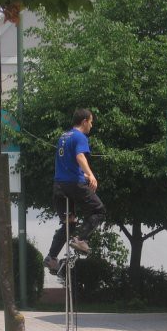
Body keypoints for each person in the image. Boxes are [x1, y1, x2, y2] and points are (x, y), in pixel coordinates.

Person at [43, 108, 106, 274]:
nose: (91, 125)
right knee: (99, 210)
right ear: (84, 121)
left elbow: (68, 164)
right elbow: (79, 157)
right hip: (73, 186)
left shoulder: (64, 137)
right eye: (91, 122)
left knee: (69, 224)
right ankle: (81, 239)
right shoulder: (80, 137)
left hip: (59, 187)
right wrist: (91, 175)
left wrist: (83, 174)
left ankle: (51, 257)